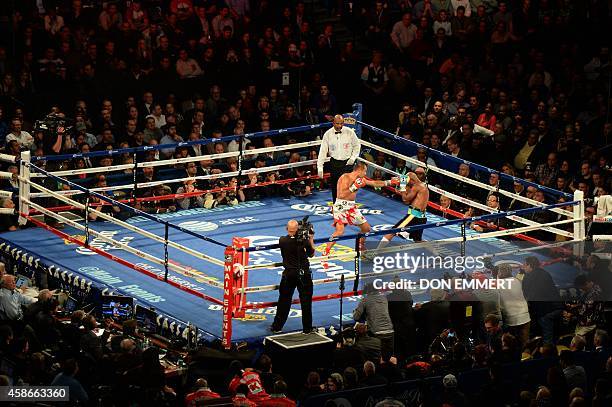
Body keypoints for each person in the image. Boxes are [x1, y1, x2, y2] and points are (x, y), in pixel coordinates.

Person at [324, 161, 399, 256]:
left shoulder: (360, 179)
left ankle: (360, 245)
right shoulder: (345, 177)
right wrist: (354, 187)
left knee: (366, 228)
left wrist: (389, 182)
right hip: (340, 207)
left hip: (351, 207)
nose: (365, 174)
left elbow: (374, 183)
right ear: (359, 170)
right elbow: (342, 195)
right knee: (339, 231)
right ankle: (325, 252)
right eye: (365, 171)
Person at [270, 219, 316, 334]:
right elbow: (311, 253)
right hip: (303, 274)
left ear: (287, 229)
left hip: (289, 274)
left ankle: (277, 327)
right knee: (306, 302)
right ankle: (307, 328)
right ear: (298, 230)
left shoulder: (282, 240)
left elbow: (290, 239)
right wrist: (310, 238)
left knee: (284, 301)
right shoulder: (304, 241)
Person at [377, 168, 429, 251]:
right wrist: (402, 191)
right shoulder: (422, 186)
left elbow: (405, 200)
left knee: (391, 232)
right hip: (421, 217)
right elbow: (409, 201)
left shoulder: (417, 186)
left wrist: (403, 188)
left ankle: (374, 254)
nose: (406, 183)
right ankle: (438, 255)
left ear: (411, 180)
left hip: (413, 216)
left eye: (407, 181)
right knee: (418, 240)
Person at [317, 114, 361, 202]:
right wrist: (320, 166)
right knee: (335, 187)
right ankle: (336, 206)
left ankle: (348, 206)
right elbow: (323, 151)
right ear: (333, 123)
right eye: (337, 123)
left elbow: (357, 145)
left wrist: (353, 158)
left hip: (347, 163)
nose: (339, 126)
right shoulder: (328, 134)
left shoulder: (350, 132)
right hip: (334, 163)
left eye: (341, 124)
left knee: (348, 187)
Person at [353, 282, 395, 361]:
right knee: (390, 358)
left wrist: (357, 311)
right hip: (390, 331)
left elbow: (356, 317)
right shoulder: (384, 298)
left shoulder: (365, 300)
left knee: (378, 358)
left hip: (377, 332)